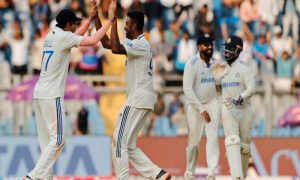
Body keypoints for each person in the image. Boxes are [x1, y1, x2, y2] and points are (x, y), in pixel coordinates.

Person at [23, 1, 116, 179]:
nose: (76, 27)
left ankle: (45, 177)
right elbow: (93, 40)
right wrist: (110, 21)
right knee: (58, 140)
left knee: (47, 143)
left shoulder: (52, 35)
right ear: (68, 25)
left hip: (39, 93)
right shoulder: (64, 37)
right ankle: (33, 176)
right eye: (74, 24)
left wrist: (90, 19)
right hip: (52, 94)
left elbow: (76, 38)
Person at [93, 1, 171, 179]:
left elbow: (114, 47)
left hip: (136, 99)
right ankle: (157, 174)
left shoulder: (140, 44)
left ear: (134, 26)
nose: (124, 27)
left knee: (118, 141)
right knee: (129, 145)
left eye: (126, 24)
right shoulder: (137, 44)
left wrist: (112, 21)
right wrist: (96, 16)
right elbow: (105, 43)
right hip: (143, 99)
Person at [213, 35, 255, 179]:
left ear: (238, 50)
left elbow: (252, 88)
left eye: (230, 49)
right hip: (229, 108)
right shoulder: (220, 68)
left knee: (244, 147)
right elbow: (214, 87)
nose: (226, 52)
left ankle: (241, 176)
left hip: (244, 110)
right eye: (226, 49)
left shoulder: (244, 68)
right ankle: (235, 176)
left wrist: (241, 96)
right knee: (232, 140)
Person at [183, 33, 221, 180]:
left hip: (212, 102)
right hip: (195, 106)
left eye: (211, 43)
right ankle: (189, 173)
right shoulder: (191, 64)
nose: (210, 46)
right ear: (199, 46)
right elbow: (187, 90)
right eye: (206, 44)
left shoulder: (216, 62)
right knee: (193, 143)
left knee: (212, 138)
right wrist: (201, 109)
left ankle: (211, 173)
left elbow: (224, 82)